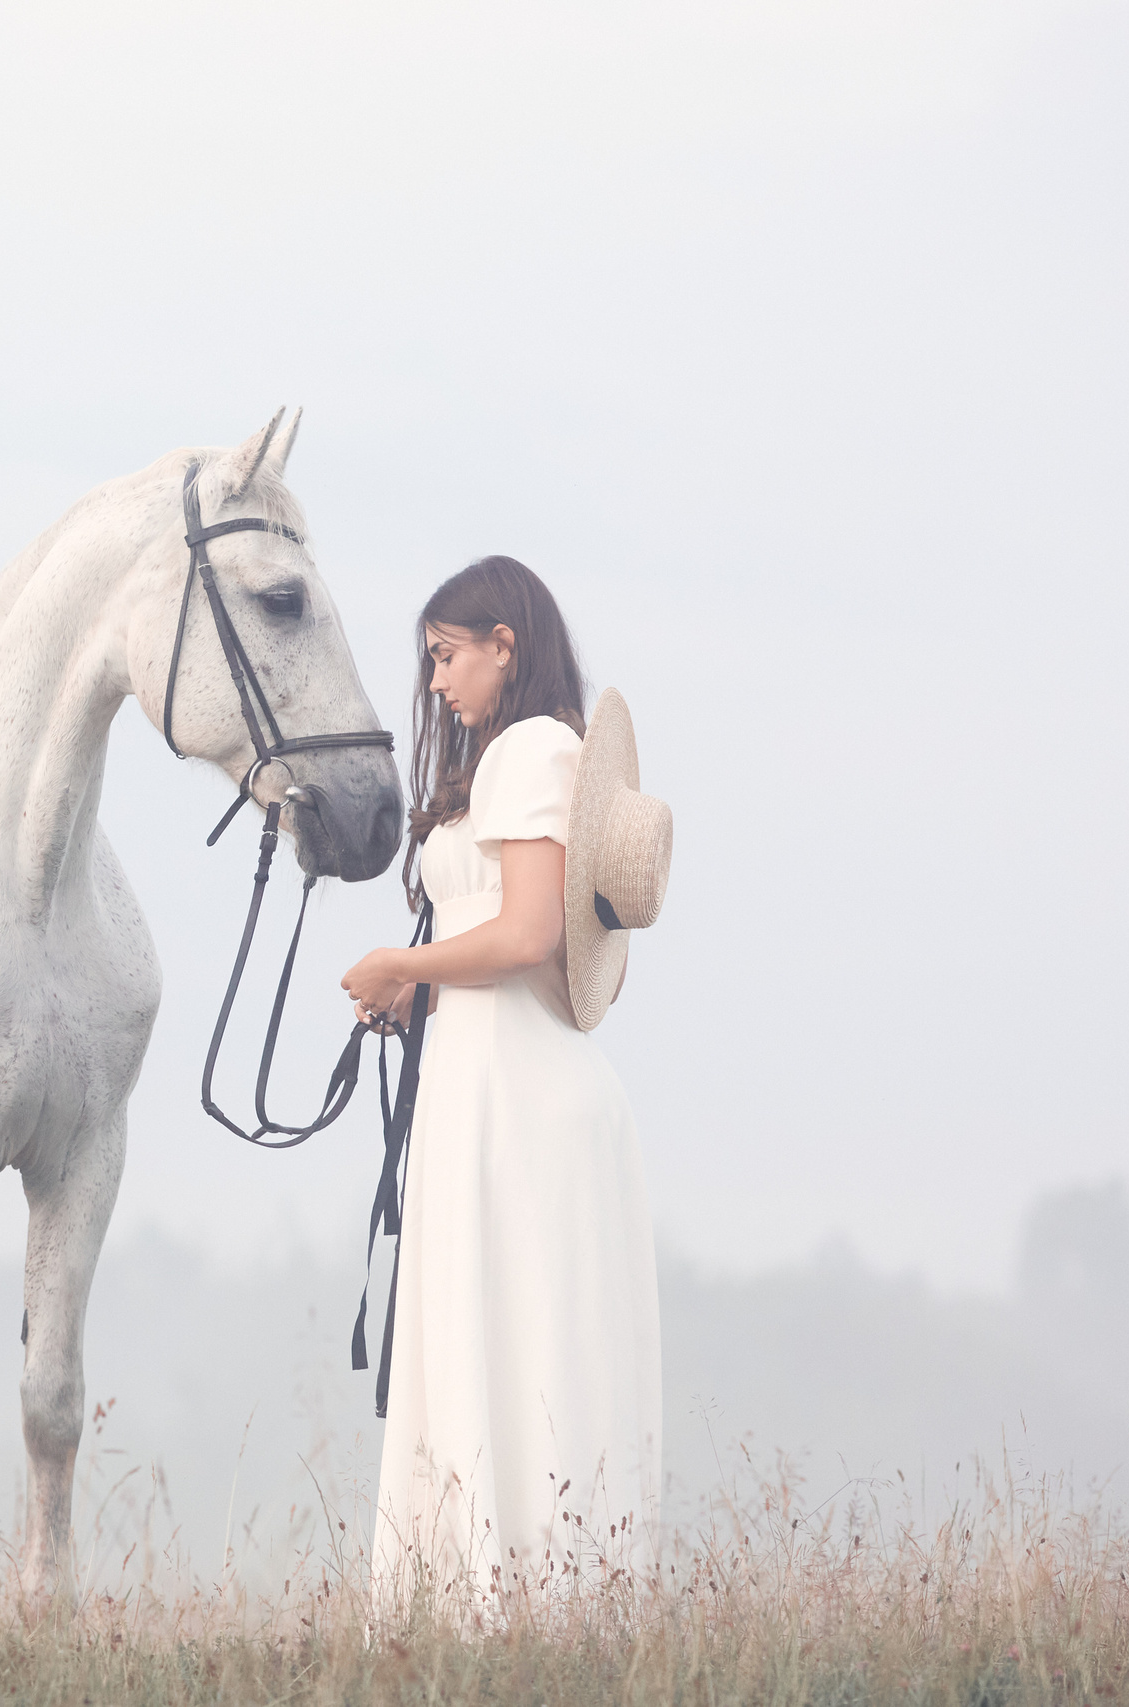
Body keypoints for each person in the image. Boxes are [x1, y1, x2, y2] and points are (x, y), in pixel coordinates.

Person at [339, 555, 664, 1604]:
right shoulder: (535, 751)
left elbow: (525, 932)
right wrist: (417, 996)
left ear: (502, 645)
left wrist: (402, 967)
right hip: (500, 1075)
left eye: (446, 658)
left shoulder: (526, 749)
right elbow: (508, 940)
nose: (436, 684)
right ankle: (539, 1591)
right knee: (531, 1335)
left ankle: (497, 1599)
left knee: (507, 1332)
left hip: (508, 1095)